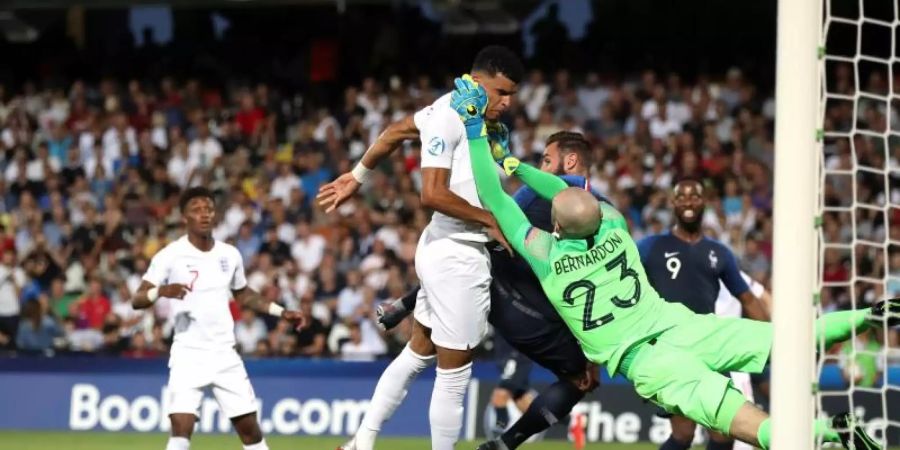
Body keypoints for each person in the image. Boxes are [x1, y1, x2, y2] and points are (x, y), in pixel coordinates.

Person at [451, 75, 894, 450]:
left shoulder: (544, 253)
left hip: (646, 359)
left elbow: (493, 197)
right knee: (788, 340)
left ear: (557, 226)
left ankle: (826, 434)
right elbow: (568, 192)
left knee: (740, 420)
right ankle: (869, 317)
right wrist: (516, 164)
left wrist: (476, 130)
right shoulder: (615, 226)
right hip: (684, 325)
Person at [318, 45, 523, 450]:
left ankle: (362, 441)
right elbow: (431, 194)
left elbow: (395, 131)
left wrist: (357, 176)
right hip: (458, 253)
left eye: (512, 94)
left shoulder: (448, 111)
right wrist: (490, 220)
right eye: (502, 92)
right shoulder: (449, 117)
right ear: (477, 82)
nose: (508, 102)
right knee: (454, 374)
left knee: (418, 352)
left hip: (443, 247)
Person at [373, 132, 608, 450]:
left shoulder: (537, 193)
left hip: (488, 292)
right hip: (539, 321)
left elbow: (495, 222)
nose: (541, 167)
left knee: (424, 352)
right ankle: (506, 443)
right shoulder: (605, 211)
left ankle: (402, 307)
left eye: (546, 160)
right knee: (579, 380)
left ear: (570, 161)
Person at [131, 187, 307, 450]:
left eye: (208, 209)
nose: (204, 215)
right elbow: (138, 299)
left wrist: (280, 311)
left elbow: (244, 294)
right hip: (188, 353)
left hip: (224, 353)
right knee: (181, 427)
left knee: (250, 431)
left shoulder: (229, 254)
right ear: (184, 218)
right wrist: (162, 291)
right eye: (196, 210)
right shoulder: (170, 255)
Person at [636, 180, 769, 450]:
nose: (688, 201)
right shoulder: (650, 247)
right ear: (672, 203)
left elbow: (748, 300)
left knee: (723, 433)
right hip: (670, 349)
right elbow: (626, 285)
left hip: (709, 348)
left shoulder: (719, 253)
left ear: (703, 202)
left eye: (694, 196)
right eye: (681, 197)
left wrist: (769, 340)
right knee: (684, 433)